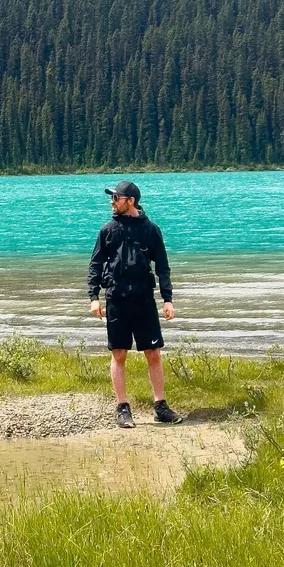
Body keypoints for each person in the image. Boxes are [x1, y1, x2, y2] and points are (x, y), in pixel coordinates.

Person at [88, 180, 182, 428]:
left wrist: (168, 299)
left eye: (116, 198)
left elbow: (162, 267)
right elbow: (96, 265)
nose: (112, 201)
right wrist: (93, 297)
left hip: (143, 300)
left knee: (153, 352)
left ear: (130, 201)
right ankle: (122, 408)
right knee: (119, 353)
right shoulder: (108, 230)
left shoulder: (150, 230)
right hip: (116, 299)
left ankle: (160, 406)